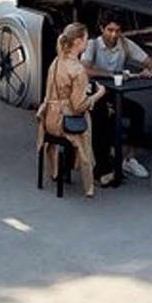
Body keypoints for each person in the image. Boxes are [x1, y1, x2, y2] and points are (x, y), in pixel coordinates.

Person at [79, 11, 152, 181]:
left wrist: (149, 70)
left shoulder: (125, 44)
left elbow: (150, 61)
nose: (114, 35)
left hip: (113, 95)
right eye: (110, 30)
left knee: (138, 112)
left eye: (117, 31)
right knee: (102, 117)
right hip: (92, 95)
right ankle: (102, 167)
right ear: (102, 28)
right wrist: (112, 74)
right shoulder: (92, 45)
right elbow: (85, 69)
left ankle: (129, 159)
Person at [35, 23, 105, 197]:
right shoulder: (78, 70)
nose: (87, 42)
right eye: (86, 39)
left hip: (49, 119)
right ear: (78, 41)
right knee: (88, 124)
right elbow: (78, 106)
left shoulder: (56, 62)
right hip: (65, 122)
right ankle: (89, 184)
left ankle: (58, 172)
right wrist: (98, 94)